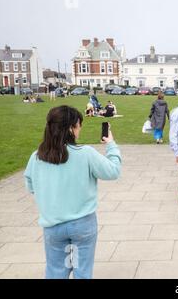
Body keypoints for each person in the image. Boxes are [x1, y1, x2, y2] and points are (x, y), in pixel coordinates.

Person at [23, 106, 121, 279]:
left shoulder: (37, 156)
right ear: (70, 128)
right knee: (82, 271)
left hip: (52, 224)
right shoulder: (85, 153)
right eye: (78, 125)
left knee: (55, 272)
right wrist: (111, 145)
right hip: (82, 224)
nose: (79, 129)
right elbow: (113, 171)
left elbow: (30, 185)